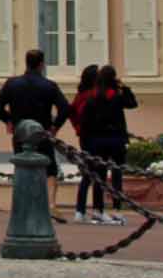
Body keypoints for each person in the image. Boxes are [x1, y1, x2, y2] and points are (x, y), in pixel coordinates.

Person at [0, 49, 73, 182]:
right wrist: (55, 127)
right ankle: (51, 202)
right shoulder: (49, 86)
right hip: (43, 133)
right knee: (50, 170)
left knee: (22, 167)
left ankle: (24, 199)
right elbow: (65, 108)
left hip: (20, 133)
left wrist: (8, 120)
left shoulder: (12, 84)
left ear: (26, 63)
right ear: (41, 64)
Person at [76, 65, 137, 227]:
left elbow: (85, 123)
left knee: (99, 177)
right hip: (116, 140)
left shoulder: (93, 98)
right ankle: (117, 209)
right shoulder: (117, 97)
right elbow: (132, 103)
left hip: (97, 142)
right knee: (117, 176)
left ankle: (98, 210)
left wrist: (87, 143)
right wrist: (124, 87)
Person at [65, 65, 100, 224]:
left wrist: (77, 128)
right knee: (96, 172)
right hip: (94, 136)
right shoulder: (93, 95)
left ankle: (81, 210)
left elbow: (71, 113)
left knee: (88, 173)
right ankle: (95, 210)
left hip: (85, 137)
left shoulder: (81, 95)